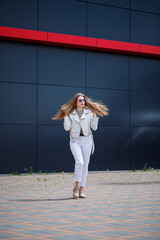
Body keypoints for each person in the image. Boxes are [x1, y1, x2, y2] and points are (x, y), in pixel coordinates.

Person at [52, 93, 109, 198]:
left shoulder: (89, 112)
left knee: (85, 166)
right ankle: (76, 187)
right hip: (75, 141)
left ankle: (82, 190)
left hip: (87, 141)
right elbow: (66, 128)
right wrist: (65, 116)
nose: (83, 102)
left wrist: (94, 117)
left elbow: (94, 128)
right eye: (80, 100)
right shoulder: (70, 114)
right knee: (79, 162)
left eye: (83, 100)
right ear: (76, 102)